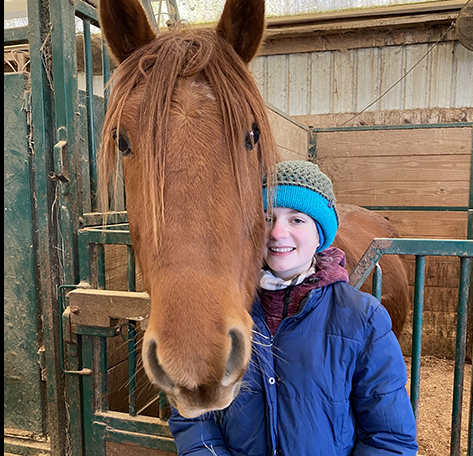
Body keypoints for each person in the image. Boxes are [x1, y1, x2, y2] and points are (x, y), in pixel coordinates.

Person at [168, 160, 418, 455]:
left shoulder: (364, 320)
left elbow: (390, 438)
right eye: (266, 218)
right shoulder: (216, 313)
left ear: (320, 235)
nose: (276, 233)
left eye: (297, 219)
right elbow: (194, 417)